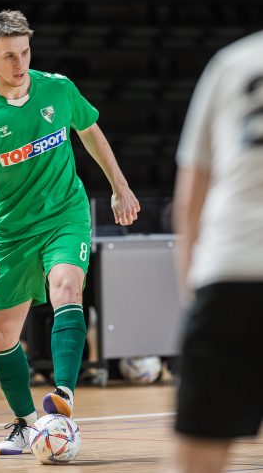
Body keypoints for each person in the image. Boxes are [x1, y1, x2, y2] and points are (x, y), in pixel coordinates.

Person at [0, 10, 140, 455]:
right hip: (13, 228)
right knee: (0, 334)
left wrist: (120, 188)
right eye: (8, 57)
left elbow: (91, 132)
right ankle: (25, 424)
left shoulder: (58, 88)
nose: (19, 64)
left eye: (24, 52)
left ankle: (62, 397)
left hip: (65, 213)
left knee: (66, 287)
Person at [169, 32, 263, 472]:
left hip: (230, 272)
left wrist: (193, 299)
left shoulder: (232, 61)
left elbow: (189, 203)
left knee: (195, 462)